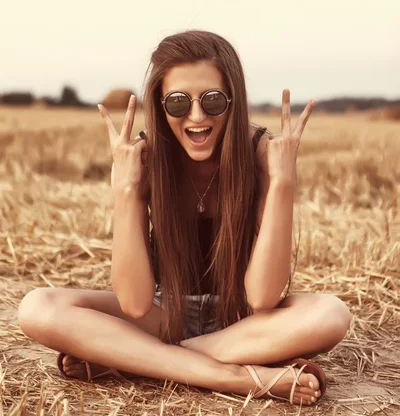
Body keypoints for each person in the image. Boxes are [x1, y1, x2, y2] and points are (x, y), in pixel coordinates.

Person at [18, 30, 351, 406]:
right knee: (38, 308)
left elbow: (262, 299)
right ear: (160, 106)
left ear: (233, 100)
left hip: (242, 322)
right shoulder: (146, 159)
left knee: (331, 314)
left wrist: (282, 184)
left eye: (212, 101)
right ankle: (234, 376)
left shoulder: (262, 156)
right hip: (165, 314)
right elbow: (135, 304)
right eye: (178, 102)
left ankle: (136, 359)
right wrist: (126, 191)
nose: (196, 117)